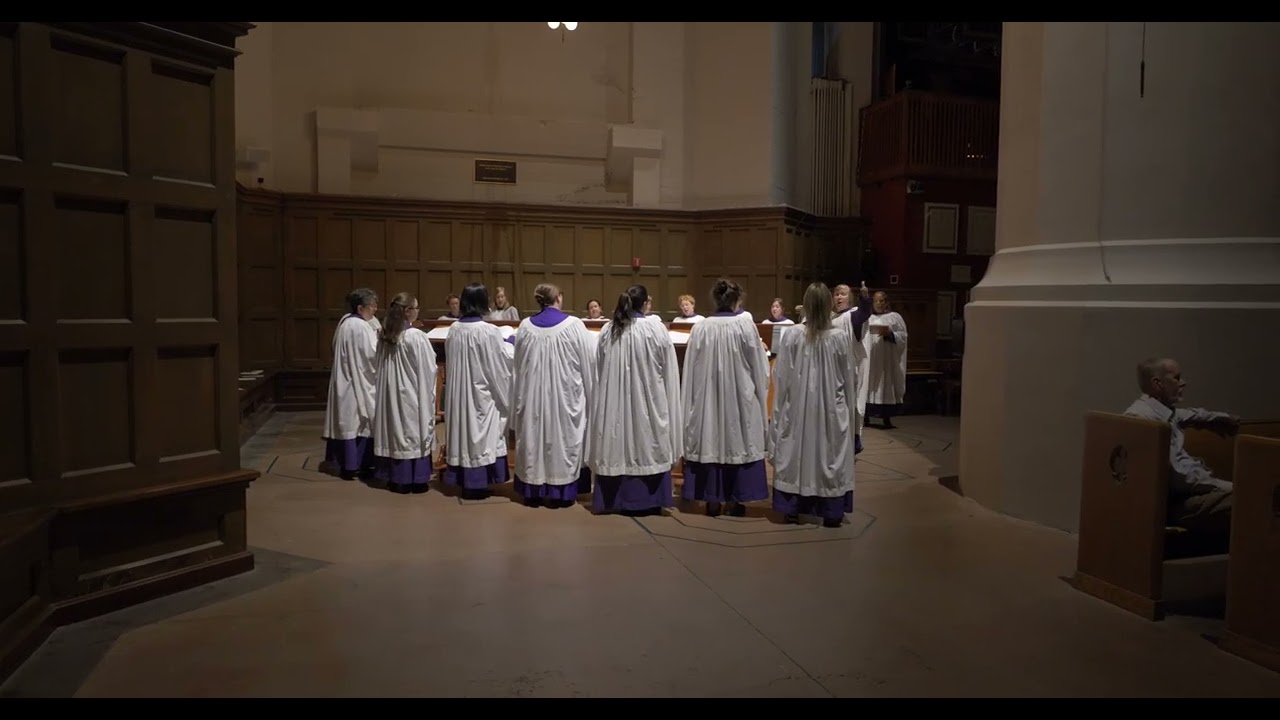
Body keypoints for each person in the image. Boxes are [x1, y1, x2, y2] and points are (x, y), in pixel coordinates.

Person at [769, 282, 859, 528]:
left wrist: (780, 410)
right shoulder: (839, 337)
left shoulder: (793, 335)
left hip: (798, 407)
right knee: (829, 453)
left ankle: (793, 509)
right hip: (831, 408)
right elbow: (850, 377)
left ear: (806, 305)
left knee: (797, 453)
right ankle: (831, 511)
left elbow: (781, 376)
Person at [588, 285, 682, 515]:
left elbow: (599, 369)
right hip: (648, 401)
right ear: (646, 303)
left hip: (616, 403)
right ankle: (647, 500)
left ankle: (614, 500)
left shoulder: (609, 330)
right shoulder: (656, 330)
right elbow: (669, 369)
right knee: (646, 441)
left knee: (618, 439)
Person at [680, 279, 771, 516]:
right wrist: (760, 395)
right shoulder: (745, 326)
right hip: (740, 398)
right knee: (737, 440)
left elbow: (690, 368)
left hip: (707, 397)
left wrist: (690, 401)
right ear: (736, 300)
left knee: (711, 439)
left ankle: (712, 499)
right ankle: (735, 500)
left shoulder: (702, 328)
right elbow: (759, 367)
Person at [1123, 358, 1238, 537]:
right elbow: (1180, 479)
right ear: (1158, 383)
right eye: (1177, 378)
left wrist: (1218, 418)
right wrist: (1226, 486)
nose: (1183, 382)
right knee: (1250, 499)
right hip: (1176, 502)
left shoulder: (1162, 411)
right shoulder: (1143, 420)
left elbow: (1188, 414)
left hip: (1186, 494)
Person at [511, 283, 596, 508]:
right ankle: (561, 493)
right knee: (563, 439)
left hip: (533, 398)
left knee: (534, 440)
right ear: (558, 298)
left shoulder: (525, 327)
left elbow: (517, 367)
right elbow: (589, 362)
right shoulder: (574, 326)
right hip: (564, 398)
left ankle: (534, 490)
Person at [443, 283, 514, 499]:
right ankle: (479, 483)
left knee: (465, 432)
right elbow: (500, 364)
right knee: (483, 437)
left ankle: (465, 480)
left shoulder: (453, 330)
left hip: (460, 393)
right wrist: (511, 341)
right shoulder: (488, 331)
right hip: (482, 393)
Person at [371, 293, 438, 494]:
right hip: (411, 395)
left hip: (391, 395)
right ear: (407, 311)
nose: (418, 311)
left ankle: (396, 478)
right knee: (411, 433)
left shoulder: (384, 335)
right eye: (416, 308)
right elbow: (428, 369)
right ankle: (415, 479)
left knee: (395, 431)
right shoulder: (416, 337)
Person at [322, 288, 379, 480]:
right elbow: (372, 355)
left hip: (344, 379)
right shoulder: (362, 327)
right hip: (357, 383)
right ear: (361, 307)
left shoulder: (344, 322)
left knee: (347, 421)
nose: (375, 310)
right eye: (372, 306)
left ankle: (344, 463)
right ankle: (357, 464)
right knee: (358, 421)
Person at [832, 282, 873, 451]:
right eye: (836, 294)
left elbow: (864, 313)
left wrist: (865, 298)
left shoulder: (853, 316)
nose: (839, 297)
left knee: (851, 406)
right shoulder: (832, 318)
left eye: (843, 294)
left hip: (850, 371)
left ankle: (853, 442)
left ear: (850, 298)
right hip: (833, 370)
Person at [863, 290, 908, 429]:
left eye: (882, 300)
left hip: (887, 359)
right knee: (868, 385)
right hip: (871, 359)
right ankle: (866, 417)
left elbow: (903, 336)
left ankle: (886, 418)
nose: (879, 303)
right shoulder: (867, 318)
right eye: (876, 300)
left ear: (886, 302)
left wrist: (890, 334)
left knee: (886, 384)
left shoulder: (895, 317)